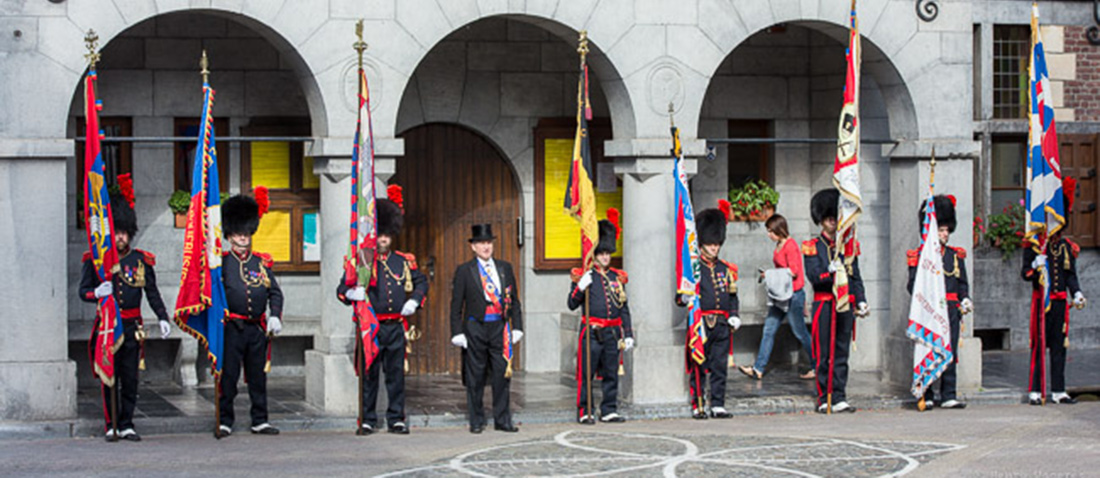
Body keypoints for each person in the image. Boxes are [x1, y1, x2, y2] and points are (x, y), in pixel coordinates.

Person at [78, 176, 171, 442]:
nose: (120, 237)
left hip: (132, 328)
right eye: (116, 232)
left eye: (124, 232)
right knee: (109, 378)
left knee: (130, 379)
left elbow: (151, 292)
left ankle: (127, 423)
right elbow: (82, 292)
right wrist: (95, 292)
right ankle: (112, 424)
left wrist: (163, 318)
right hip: (107, 327)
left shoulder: (141, 260)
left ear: (130, 233)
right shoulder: (94, 259)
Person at [337, 185, 428, 435]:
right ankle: (368, 419)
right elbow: (341, 288)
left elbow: (421, 281)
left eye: (387, 234)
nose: (383, 239)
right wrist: (350, 293)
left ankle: (396, 418)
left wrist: (415, 300)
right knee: (369, 376)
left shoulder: (402, 260)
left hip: (396, 327)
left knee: (396, 376)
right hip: (372, 327)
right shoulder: (363, 261)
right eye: (380, 234)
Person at [218, 189, 283, 437]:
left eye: (246, 233)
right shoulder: (221, 263)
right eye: (238, 233)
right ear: (229, 235)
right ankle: (225, 420)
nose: (243, 238)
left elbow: (274, 293)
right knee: (229, 378)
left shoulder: (261, 263)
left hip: (256, 329)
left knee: (258, 378)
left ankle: (260, 420)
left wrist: (275, 314)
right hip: (232, 328)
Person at [449, 223, 523, 434]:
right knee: (476, 376)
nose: (485, 247)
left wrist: (517, 326)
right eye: (481, 243)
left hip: (500, 327)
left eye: (488, 242)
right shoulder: (465, 270)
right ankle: (477, 419)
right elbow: (456, 304)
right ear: (473, 247)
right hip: (475, 328)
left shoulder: (504, 268)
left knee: (502, 374)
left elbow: (514, 299)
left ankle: (502, 419)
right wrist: (457, 332)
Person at [1022, 178, 1087, 406]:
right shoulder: (1035, 245)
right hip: (1042, 302)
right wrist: (1034, 264)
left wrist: (1076, 293)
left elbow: (1070, 275)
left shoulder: (1066, 247)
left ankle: (1058, 390)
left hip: (1060, 303)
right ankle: (1035, 390)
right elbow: (1025, 274)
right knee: (1039, 346)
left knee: (1059, 347)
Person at [803, 188, 868, 414]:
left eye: (835, 219)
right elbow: (813, 276)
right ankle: (824, 396)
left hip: (844, 304)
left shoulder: (848, 247)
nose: (832, 223)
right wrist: (828, 272)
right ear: (822, 222)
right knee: (823, 353)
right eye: (829, 219)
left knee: (841, 352)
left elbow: (856, 276)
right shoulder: (813, 246)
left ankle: (839, 395)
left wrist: (860, 300)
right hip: (824, 302)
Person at [568, 209, 634, 424]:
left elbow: (623, 307)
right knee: (586, 373)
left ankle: (608, 409)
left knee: (611, 372)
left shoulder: (617, 277)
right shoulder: (584, 275)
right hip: (592, 330)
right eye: (601, 253)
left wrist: (628, 333)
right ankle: (584, 410)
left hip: (613, 332)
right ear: (594, 254)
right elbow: (571, 304)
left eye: (607, 253)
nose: (605, 257)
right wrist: (580, 287)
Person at [677, 200, 741, 420]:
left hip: (722, 324)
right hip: (701, 324)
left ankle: (718, 404)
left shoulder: (725, 269)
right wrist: (684, 298)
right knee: (698, 366)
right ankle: (699, 404)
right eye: (711, 243)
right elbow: (680, 295)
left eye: (717, 243)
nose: (714, 247)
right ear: (703, 242)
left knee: (719, 366)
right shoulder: (694, 268)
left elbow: (733, 296)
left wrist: (734, 315)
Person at [907, 195, 971, 409]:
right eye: (941, 230)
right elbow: (911, 286)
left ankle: (949, 393)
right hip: (930, 309)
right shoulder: (919, 256)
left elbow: (962, 282)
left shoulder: (955, 255)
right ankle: (928, 391)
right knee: (930, 347)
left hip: (951, 309)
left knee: (950, 350)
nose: (944, 235)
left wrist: (965, 299)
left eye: (946, 230)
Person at [740, 214, 815, 381]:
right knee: (769, 330)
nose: (768, 234)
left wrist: (770, 274)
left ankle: (818, 365)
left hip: (793, 295)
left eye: (770, 231)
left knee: (800, 332)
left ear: (778, 230)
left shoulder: (791, 246)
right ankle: (758, 369)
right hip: (781, 296)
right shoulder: (780, 245)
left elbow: (794, 271)